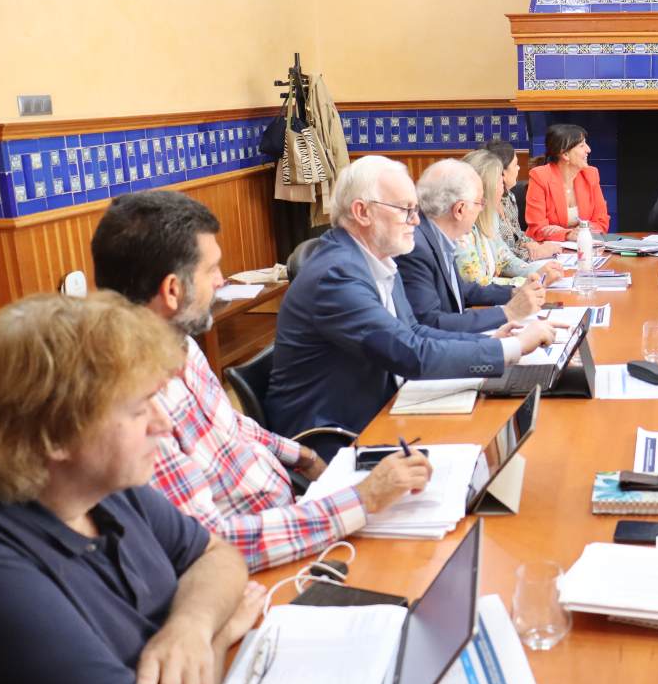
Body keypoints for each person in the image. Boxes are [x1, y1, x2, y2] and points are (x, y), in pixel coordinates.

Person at [91, 190, 434, 572]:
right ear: (173, 290)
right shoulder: (132, 402)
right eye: (211, 270)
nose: (221, 281)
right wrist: (363, 499)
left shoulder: (179, 341)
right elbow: (213, 545)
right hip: (265, 558)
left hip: (295, 508)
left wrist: (303, 457)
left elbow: (230, 423)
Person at [0, 292, 263, 684]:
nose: (164, 424)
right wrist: (218, 633)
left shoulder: (107, 489)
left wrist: (189, 627)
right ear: (54, 436)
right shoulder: (4, 576)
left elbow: (218, 556)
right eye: (139, 409)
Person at [265, 156, 555, 439]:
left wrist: (491, 342)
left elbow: (414, 331)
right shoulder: (336, 275)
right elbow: (410, 352)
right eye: (405, 210)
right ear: (362, 212)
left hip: (385, 406)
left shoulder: (376, 258)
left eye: (415, 209)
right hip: (336, 433)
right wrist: (513, 347)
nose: (416, 221)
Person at [399, 158, 546, 332]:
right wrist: (508, 313)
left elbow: (461, 289)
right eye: (479, 203)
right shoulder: (417, 248)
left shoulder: (437, 235)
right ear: (460, 209)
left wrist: (513, 293)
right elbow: (431, 324)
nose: (482, 209)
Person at [453, 150, 563, 287]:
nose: (503, 186)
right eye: (500, 181)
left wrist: (538, 271)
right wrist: (530, 281)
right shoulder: (461, 230)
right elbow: (477, 284)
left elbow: (506, 260)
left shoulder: (490, 216)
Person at [524, 124, 610, 241]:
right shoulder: (540, 176)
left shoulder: (591, 174)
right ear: (565, 154)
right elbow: (537, 229)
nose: (588, 149)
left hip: (582, 246)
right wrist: (568, 234)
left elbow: (602, 222)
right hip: (547, 250)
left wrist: (582, 230)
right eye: (581, 145)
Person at [481, 139, 563, 261]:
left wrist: (535, 245)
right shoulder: (481, 207)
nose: (519, 168)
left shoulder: (508, 196)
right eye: (515, 165)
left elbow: (518, 237)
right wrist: (536, 253)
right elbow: (499, 256)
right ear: (501, 172)